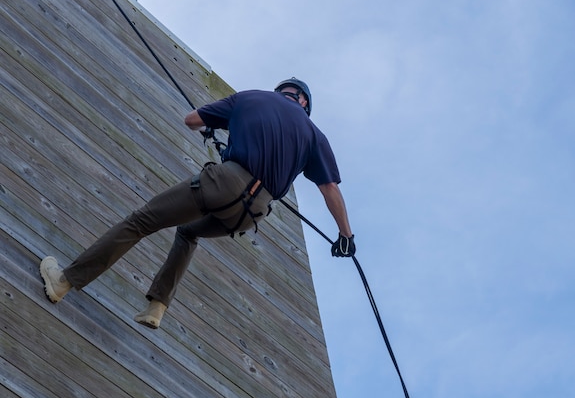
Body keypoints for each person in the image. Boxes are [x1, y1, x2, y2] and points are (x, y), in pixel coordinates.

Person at [40, 79, 356, 330]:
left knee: (141, 222)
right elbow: (329, 188)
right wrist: (346, 236)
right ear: (304, 103)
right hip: (252, 212)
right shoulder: (314, 135)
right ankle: (156, 308)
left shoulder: (251, 98)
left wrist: (215, 125)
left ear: (281, 92)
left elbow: (192, 120)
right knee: (188, 233)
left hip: (222, 183)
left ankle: (64, 281)